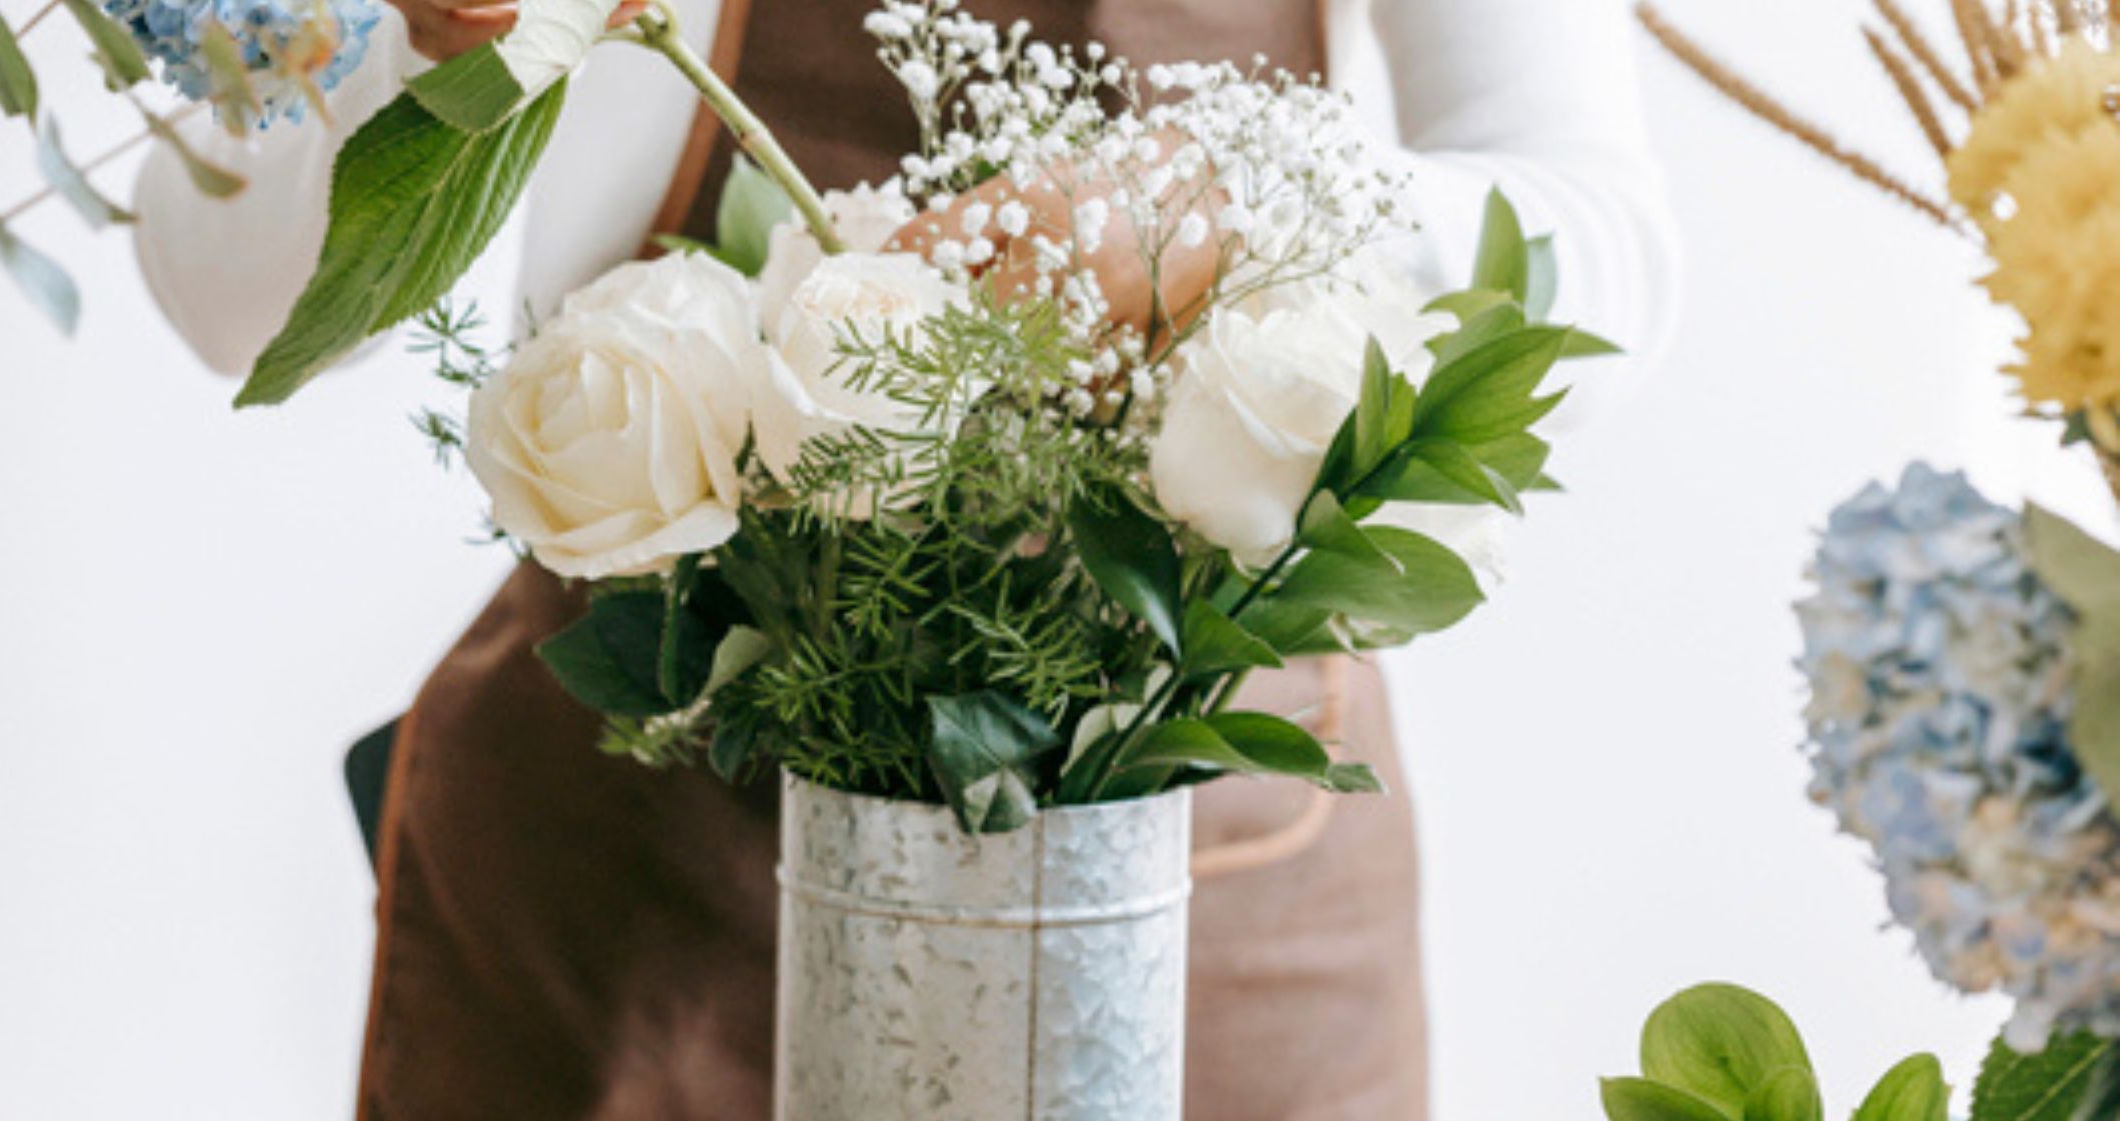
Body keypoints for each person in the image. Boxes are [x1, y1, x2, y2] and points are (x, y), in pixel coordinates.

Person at [130, 1, 1678, 1117]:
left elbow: (1602, 244)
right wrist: (423, 54)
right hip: (631, 897)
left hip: (1221, 909)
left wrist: (1247, 216)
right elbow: (228, 296)